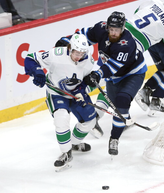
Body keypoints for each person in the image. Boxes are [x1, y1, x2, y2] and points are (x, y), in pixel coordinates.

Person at [56, 11, 147, 156]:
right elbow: (83, 36)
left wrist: (97, 74)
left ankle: (114, 139)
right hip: (113, 78)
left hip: (133, 74)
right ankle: (119, 118)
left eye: (117, 30)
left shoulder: (127, 43)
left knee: (122, 101)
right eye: (111, 29)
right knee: (116, 106)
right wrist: (67, 40)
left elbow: (112, 67)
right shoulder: (101, 28)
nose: (113, 32)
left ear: (122, 28)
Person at [24, 34, 100, 170]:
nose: (79, 56)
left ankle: (75, 144)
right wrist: (37, 72)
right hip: (56, 93)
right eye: (76, 52)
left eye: (82, 53)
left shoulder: (89, 61)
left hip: (76, 95)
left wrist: (83, 89)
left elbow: (91, 80)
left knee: (90, 121)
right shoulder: (56, 54)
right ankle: (66, 152)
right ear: (70, 48)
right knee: (61, 118)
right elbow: (30, 58)